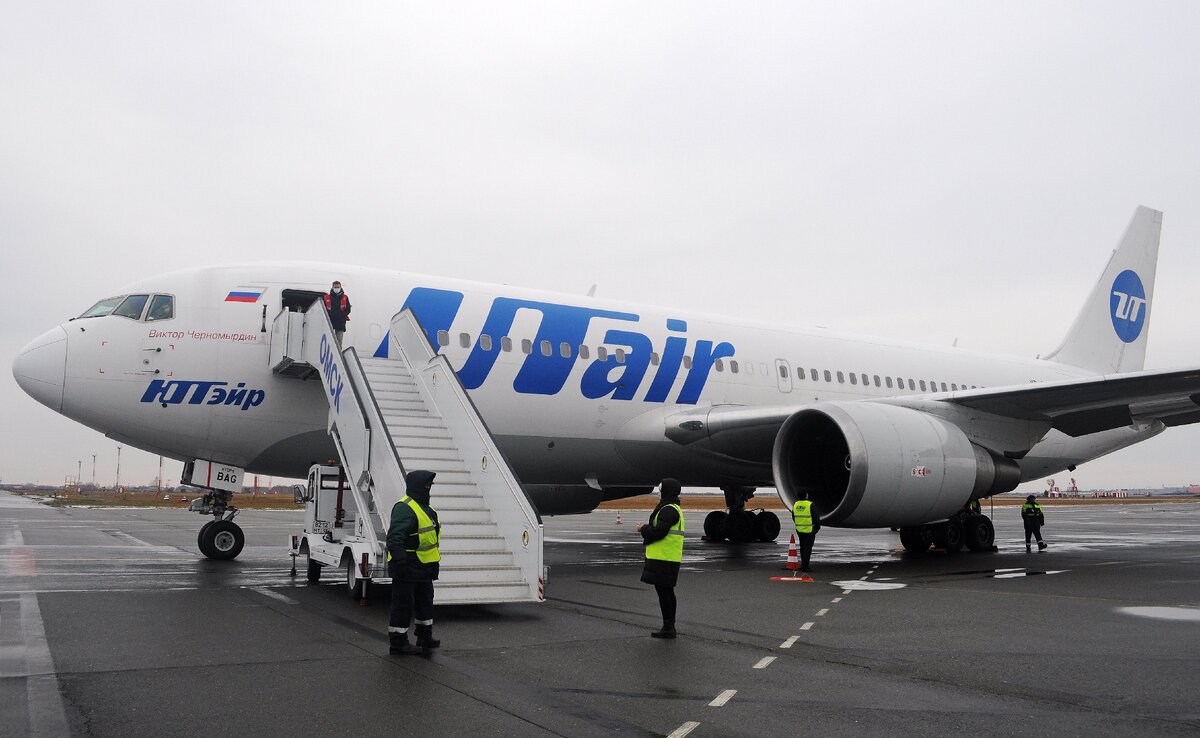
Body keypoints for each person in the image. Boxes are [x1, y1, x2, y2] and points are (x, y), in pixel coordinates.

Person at [387, 470, 441, 655]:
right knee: (403, 605)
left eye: (430, 486)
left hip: (424, 567)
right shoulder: (404, 507)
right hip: (408, 566)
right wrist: (401, 559)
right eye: (427, 486)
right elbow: (395, 538)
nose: (429, 489)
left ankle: (424, 636)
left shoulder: (428, 509)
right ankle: (398, 642)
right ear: (418, 486)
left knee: (425, 602)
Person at [638, 479, 684, 639]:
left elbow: (659, 532)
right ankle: (669, 626)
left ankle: (668, 627)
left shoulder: (668, 510)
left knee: (665, 594)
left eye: (661, 489)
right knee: (667, 592)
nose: (659, 491)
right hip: (667, 557)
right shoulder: (673, 508)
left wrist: (643, 529)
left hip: (664, 558)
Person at [792, 491, 820, 571]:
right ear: (806, 496)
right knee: (808, 548)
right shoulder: (810, 504)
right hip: (809, 530)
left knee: (802, 547)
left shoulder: (795, 505)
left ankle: (803, 564)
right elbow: (816, 517)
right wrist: (816, 528)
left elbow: (794, 517)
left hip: (800, 530)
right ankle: (805, 566)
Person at [324, 281, 351, 346]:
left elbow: (348, 309)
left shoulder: (345, 297)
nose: (336, 289)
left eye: (338, 287)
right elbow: (324, 308)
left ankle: (338, 353)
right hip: (330, 321)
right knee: (328, 338)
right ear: (332, 287)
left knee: (339, 340)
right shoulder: (327, 297)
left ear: (340, 287)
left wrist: (341, 316)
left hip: (340, 322)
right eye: (335, 287)